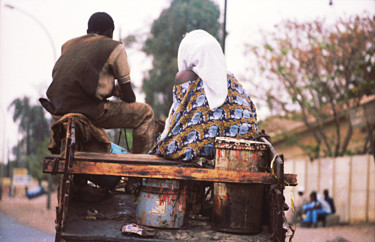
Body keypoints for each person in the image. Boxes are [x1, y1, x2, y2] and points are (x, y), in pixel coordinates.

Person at [40, 12, 155, 154]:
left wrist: (112, 90)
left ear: (88, 32)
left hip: (58, 110)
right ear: (110, 32)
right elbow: (130, 97)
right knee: (145, 113)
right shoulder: (113, 46)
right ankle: (139, 170)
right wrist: (122, 93)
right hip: (89, 110)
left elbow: (79, 80)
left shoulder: (68, 45)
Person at [150, 29, 258, 161]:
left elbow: (177, 117)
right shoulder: (233, 80)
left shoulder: (185, 76)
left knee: (167, 146)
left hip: (204, 147)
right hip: (241, 147)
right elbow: (252, 110)